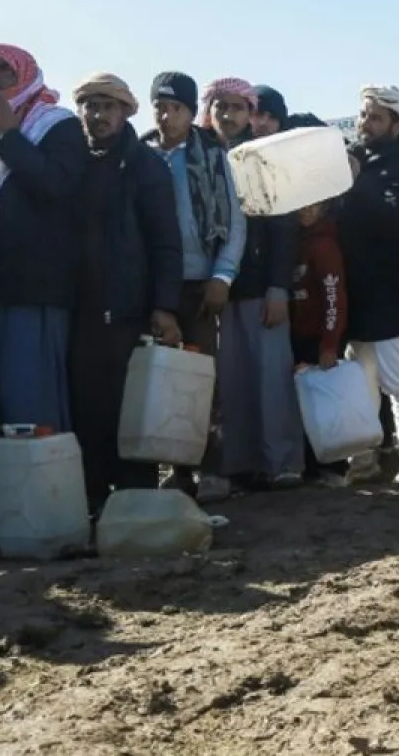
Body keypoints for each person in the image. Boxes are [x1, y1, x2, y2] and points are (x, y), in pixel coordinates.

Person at [0, 44, 86, 499]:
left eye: (2, 70)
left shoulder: (56, 124)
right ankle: (9, 504)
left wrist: (9, 136)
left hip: (34, 291)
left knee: (31, 401)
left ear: (25, 75)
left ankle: (44, 500)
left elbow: (58, 186)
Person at [67, 73, 183, 514]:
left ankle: (139, 502)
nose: (97, 116)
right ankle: (94, 501)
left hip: (130, 311)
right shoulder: (73, 160)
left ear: (125, 113)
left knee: (135, 409)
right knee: (87, 409)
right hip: (81, 310)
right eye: (90, 106)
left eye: (107, 107)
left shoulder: (143, 165)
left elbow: (164, 241)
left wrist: (165, 306)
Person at [144, 72, 247, 503]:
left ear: (191, 112)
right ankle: (178, 472)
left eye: (176, 109)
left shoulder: (213, 156)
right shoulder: (142, 155)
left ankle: (213, 470)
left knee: (204, 380)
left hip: (202, 286)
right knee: (163, 383)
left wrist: (222, 276)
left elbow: (236, 222)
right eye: (160, 108)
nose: (166, 117)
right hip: (154, 289)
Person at [203, 78, 304, 492]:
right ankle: (238, 465)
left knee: (272, 379)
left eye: (237, 107)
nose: (228, 115)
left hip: (262, 285)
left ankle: (281, 462)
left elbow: (284, 227)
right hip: (212, 289)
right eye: (219, 106)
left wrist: (279, 286)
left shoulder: (262, 158)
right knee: (231, 382)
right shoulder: (200, 154)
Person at [344, 86, 399, 484]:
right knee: (360, 383)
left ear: (397, 124)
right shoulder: (356, 158)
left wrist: (357, 183)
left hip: (394, 293)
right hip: (359, 289)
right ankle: (362, 462)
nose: (365, 123)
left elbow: (395, 218)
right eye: (364, 115)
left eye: (376, 117)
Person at [290, 198, 351, 485]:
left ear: (324, 206)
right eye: (303, 204)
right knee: (306, 405)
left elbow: (334, 298)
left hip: (320, 337)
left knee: (325, 404)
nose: (306, 209)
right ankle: (312, 466)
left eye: (313, 204)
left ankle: (335, 468)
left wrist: (329, 343)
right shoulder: (295, 241)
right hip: (298, 336)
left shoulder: (324, 245)